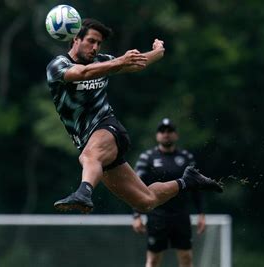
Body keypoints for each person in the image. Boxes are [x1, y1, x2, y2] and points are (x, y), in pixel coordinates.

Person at [46, 18, 223, 214]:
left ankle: (83, 193)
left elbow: (139, 64)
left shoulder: (103, 62)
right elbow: (82, 73)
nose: (95, 47)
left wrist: (158, 51)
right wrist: (119, 61)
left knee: (88, 156)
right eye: (91, 41)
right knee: (146, 201)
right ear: (75, 39)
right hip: (89, 143)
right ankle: (188, 181)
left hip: (108, 129)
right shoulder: (58, 65)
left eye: (99, 43)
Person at [132, 118, 206, 267]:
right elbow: (136, 187)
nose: (166, 134)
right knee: (153, 260)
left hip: (181, 215)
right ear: (157, 135)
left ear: (176, 135)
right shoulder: (147, 158)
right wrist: (136, 215)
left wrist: (201, 213)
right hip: (157, 215)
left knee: (186, 258)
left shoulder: (186, 157)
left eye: (170, 131)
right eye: (162, 131)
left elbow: (196, 187)